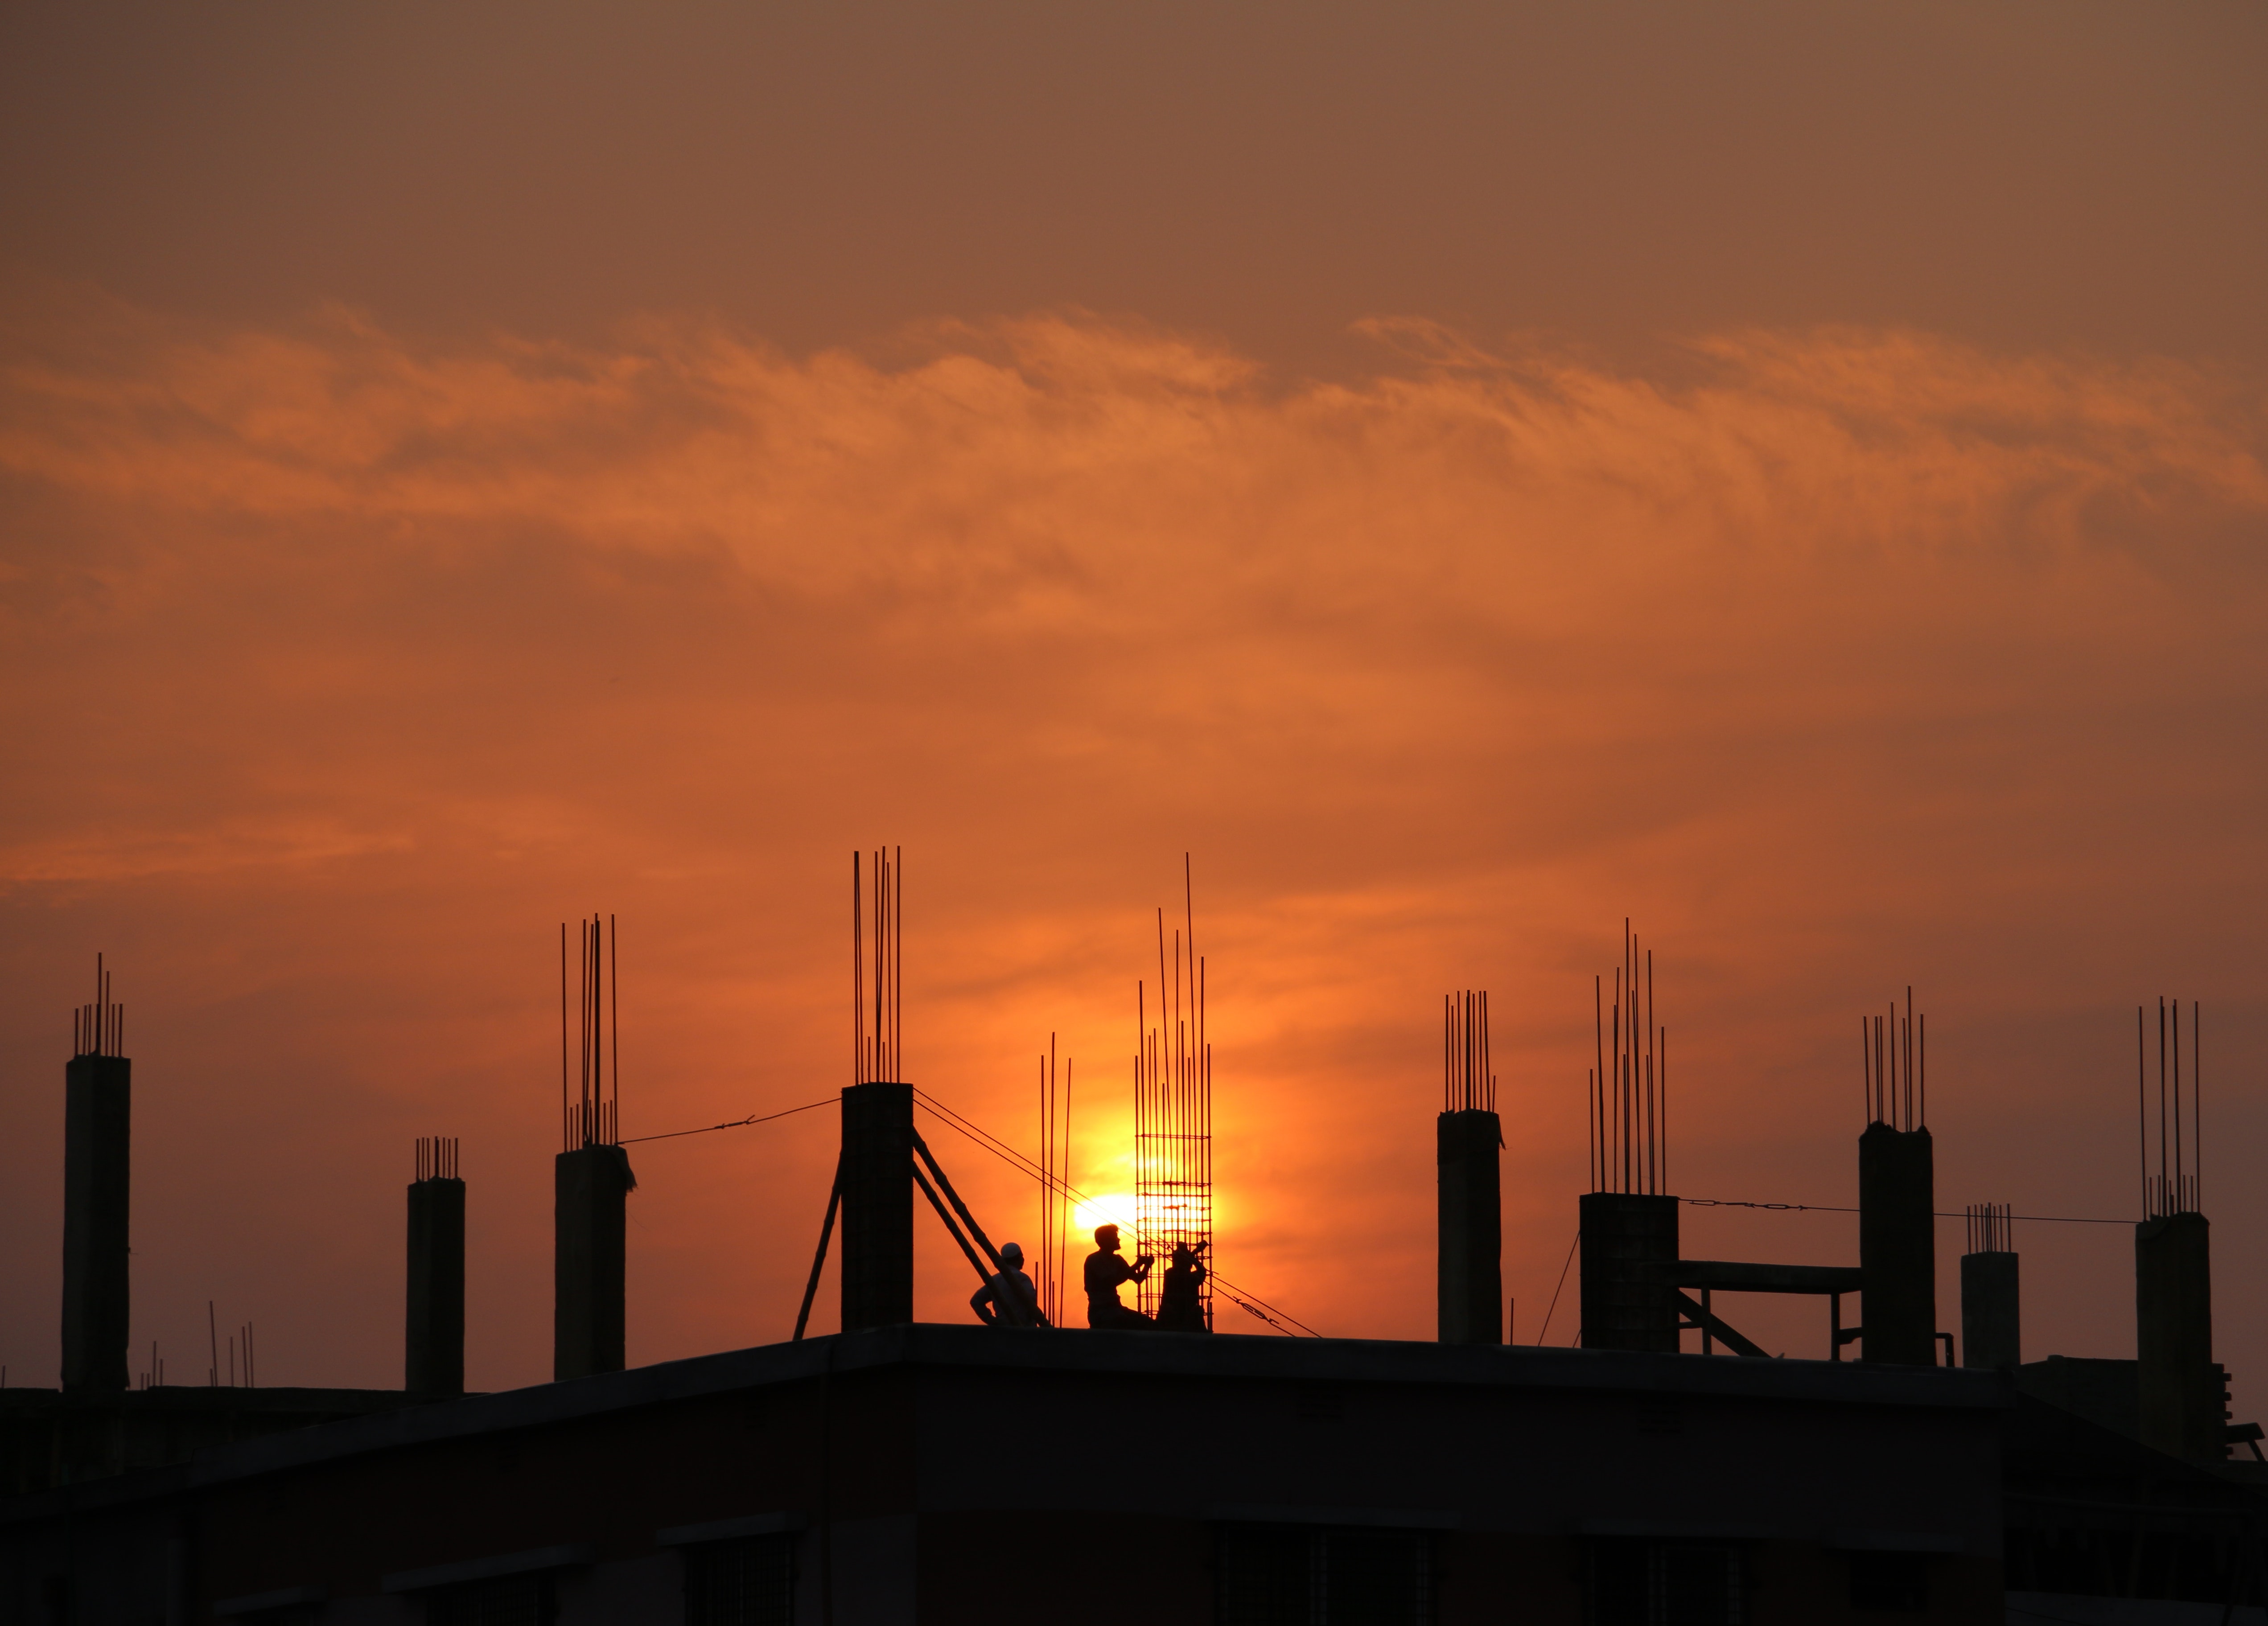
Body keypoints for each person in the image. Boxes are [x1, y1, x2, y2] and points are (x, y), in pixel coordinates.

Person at [1083, 1224, 1156, 1330]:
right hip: (1101, 1311)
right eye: (1115, 1236)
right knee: (1123, 1322)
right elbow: (1111, 1282)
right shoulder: (1095, 1260)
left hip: (1116, 1308)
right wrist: (1137, 1265)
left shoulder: (1117, 1260)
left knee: (1149, 1324)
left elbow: (1138, 1279)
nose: (1118, 1239)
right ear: (1106, 1240)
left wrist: (1147, 1266)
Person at [970, 1241, 1044, 1327]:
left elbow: (976, 1301)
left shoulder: (995, 1280)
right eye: (1022, 1256)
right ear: (1019, 1258)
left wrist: (992, 1321)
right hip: (1024, 1329)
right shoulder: (1022, 1278)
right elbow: (1031, 1299)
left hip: (1003, 1330)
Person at [1154, 1240, 1210, 1332]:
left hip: (1187, 1318)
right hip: (1173, 1318)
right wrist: (1193, 1256)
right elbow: (1201, 1270)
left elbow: (1201, 1271)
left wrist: (1191, 1255)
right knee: (1168, 1310)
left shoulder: (1190, 1277)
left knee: (1198, 1311)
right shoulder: (1174, 1275)